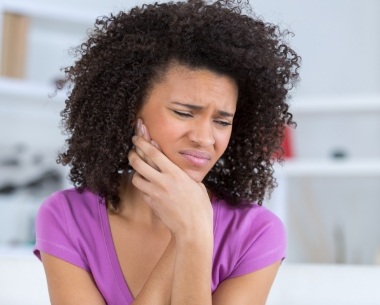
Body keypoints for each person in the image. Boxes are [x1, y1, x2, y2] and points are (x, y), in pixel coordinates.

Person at [33, 0, 300, 304]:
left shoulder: (255, 233)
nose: (204, 138)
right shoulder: (68, 217)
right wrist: (188, 232)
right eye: (184, 113)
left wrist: (194, 235)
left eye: (222, 121)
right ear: (130, 110)